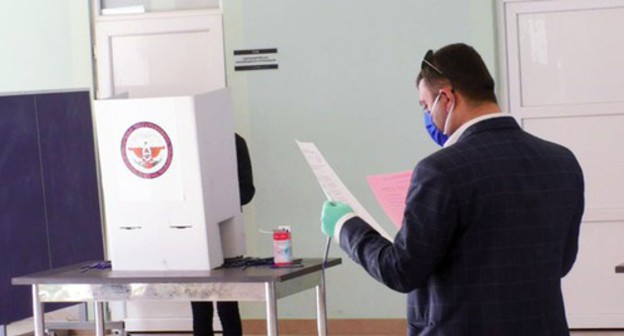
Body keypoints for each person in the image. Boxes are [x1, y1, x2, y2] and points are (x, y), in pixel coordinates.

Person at [320, 43, 584, 335]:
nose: (426, 116)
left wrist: (345, 225)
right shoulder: (562, 161)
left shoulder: (440, 170)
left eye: (424, 105)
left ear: (446, 97)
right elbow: (561, 262)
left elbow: (401, 270)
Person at [191, 133, 255, 336]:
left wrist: (219, 197)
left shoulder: (235, 141)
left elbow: (247, 191)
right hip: (196, 230)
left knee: (228, 299)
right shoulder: (192, 141)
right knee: (200, 302)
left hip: (228, 229)